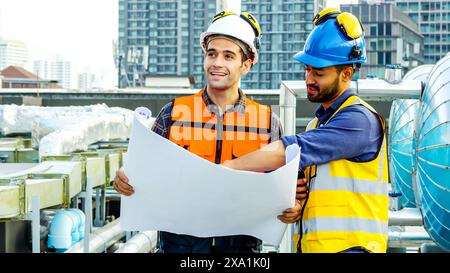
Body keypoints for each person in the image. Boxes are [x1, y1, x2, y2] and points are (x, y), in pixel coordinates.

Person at [113, 11, 288, 253]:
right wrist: (126, 177)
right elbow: (146, 172)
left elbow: (282, 190)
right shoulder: (173, 114)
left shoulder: (268, 122)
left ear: (246, 65)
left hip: (240, 252)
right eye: (212, 54)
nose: (217, 63)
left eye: (228, 56)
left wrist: (292, 205)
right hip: (179, 248)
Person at [223, 8, 389, 253]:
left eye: (319, 72)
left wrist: (226, 168)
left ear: (347, 73)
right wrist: (294, 204)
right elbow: (311, 195)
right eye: (308, 69)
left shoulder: (359, 120)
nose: (309, 78)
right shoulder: (318, 123)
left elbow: (288, 149)